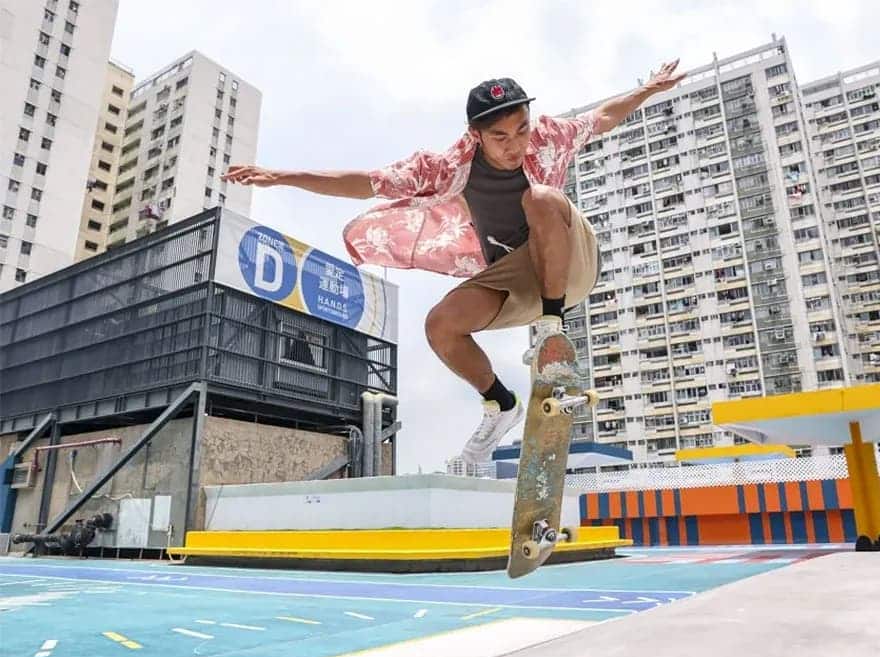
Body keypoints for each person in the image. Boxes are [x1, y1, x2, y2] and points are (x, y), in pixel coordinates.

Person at [222, 60, 686, 464]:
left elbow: (601, 118)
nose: (515, 145)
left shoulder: (548, 137)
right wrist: (280, 176)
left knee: (541, 198)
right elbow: (367, 181)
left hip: (570, 257)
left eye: (521, 129)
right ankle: (501, 404)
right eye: (500, 137)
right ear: (476, 136)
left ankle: (552, 329)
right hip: (514, 275)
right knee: (440, 324)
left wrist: (647, 89)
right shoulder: (444, 168)